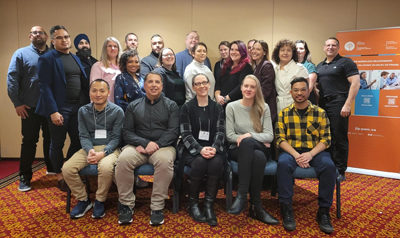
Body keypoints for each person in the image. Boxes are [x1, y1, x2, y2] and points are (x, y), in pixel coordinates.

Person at [115, 71, 179, 226]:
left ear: (162, 86)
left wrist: (155, 145)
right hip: (138, 147)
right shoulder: (133, 106)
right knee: (122, 160)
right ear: (144, 85)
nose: (154, 85)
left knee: (165, 162)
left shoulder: (171, 105)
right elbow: (127, 132)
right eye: (150, 82)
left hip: (163, 146)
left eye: (157, 82)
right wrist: (144, 143)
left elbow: (173, 132)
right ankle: (126, 205)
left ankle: (157, 207)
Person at [275, 77, 335, 234]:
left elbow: (326, 139)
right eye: (296, 90)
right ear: (291, 93)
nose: (299, 93)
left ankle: (323, 211)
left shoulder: (320, 113)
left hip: (315, 151)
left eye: (303, 89)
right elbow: (280, 139)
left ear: (309, 91)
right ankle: (286, 208)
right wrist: (296, 155)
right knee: (282, 164)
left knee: (329, 166)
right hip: (291, 151)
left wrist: (310, 154)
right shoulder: (284, 113)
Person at [35, 25, 90, 191]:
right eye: (60, 37)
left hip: (77, 107)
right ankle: (59, 175)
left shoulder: (75, 58)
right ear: (53, 40)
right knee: (57, 143)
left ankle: (69, 171)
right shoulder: (48, 58)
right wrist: (53, 111)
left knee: (78, 140)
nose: (64, 40)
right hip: (59, 108)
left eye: (66, 37)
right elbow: (44, 86)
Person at [62, 79, 124, 219]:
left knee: (106, 167)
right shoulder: (83, 111)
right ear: (89, 93)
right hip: (89, 148)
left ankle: (100, 200)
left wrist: (104, 153)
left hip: (111, 148)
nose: (98, 94)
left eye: (102, 91)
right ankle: (83, 200)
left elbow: (116, 138)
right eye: (94, 90)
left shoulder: (117, 111)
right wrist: (90, 150)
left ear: (108, 93)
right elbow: (83, 135)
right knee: (67, 168)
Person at [226, 75, 279, 225]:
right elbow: (230, 136)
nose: (249, 89)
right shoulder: (232, 107)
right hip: (238, 149)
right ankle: (256, 206)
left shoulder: (264, 107)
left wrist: (249, 135)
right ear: (241, 88)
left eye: (252, 87)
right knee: (258, 157)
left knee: (249, 143)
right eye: (246, 86)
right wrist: (256, 138)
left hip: (258, 146)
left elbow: (269, 135)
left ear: (257, 90)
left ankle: (242, 194)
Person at [7, 26, 54, 192]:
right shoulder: (21, 54)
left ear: (47, 36)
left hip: (50, 107)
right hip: (30, 107)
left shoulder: (54, 54)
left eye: (41, 32)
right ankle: (24, 177)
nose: (38, 34)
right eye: (34, 32)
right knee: (29, 142)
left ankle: (53, 169)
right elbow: (12, 79)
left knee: (51, 140)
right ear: (30, 36)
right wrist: (17, 103)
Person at [177, 73, 225, 226]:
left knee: (216, 163)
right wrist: (199, 149)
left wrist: (214, 148)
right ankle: (193, 204)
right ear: (193, 87)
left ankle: (209, 205)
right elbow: (185, 133)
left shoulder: (217, 107)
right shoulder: (186, 107)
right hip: (191, 148)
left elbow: (220, 131)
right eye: (198, 84)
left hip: (213, 147)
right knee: (199, 163)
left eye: (205, 82)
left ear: (209, 84)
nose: (202, 86)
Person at [316, 37, 360, 182]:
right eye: (328, 45)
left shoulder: (346, 62)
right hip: (323, 104)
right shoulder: (320, 65)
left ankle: (340, 170)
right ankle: (328, 167)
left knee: (339, 136)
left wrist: (347, 104)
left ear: (338, 47)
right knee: (325, 136)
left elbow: (355, 83)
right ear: (324, 47)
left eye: (333, 45)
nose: (330, 47)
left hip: (339, 102)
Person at [272, 39, 308, 114]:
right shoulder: (275, 69)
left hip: (296, 105)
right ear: (278, 53)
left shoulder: (299, 68)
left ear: (293, 53)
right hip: (279, 106)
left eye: (289, 50)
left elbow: (306, 91)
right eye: (282, 50)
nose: (285, 53)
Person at [215, 40, 253, 106]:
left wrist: (226, 98)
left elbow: (242, 86)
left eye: (237, 50)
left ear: (243, 52)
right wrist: (217, 96)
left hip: (236, 104)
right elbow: (218, 83)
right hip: (222, 104)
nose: (233, 52)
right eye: (232, 49)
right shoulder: (226, 66)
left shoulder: (246, 67)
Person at [251, 40, 277, 122]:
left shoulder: (267, 66)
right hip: (258, 105)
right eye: (253, 49)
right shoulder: (257, 66)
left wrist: (252, 101)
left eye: (258, 49)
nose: (254, 51)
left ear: (264, 52)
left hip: (264, 107)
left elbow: (265, 91)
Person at [90, 37, 122, 103]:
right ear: (105, 49)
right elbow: (94, 89)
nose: (112, 48)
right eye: (109, 46)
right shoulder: (98, 66)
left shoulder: (123, 66)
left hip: (122, 105)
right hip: (105, 106)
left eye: (115, 46)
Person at [295, 40, 317, 104]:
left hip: (306, 99)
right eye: (296, 48)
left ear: (305, 51)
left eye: (301, 48)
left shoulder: (310, 66)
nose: (298, 50)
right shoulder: (289, 65)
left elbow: (309, 87)